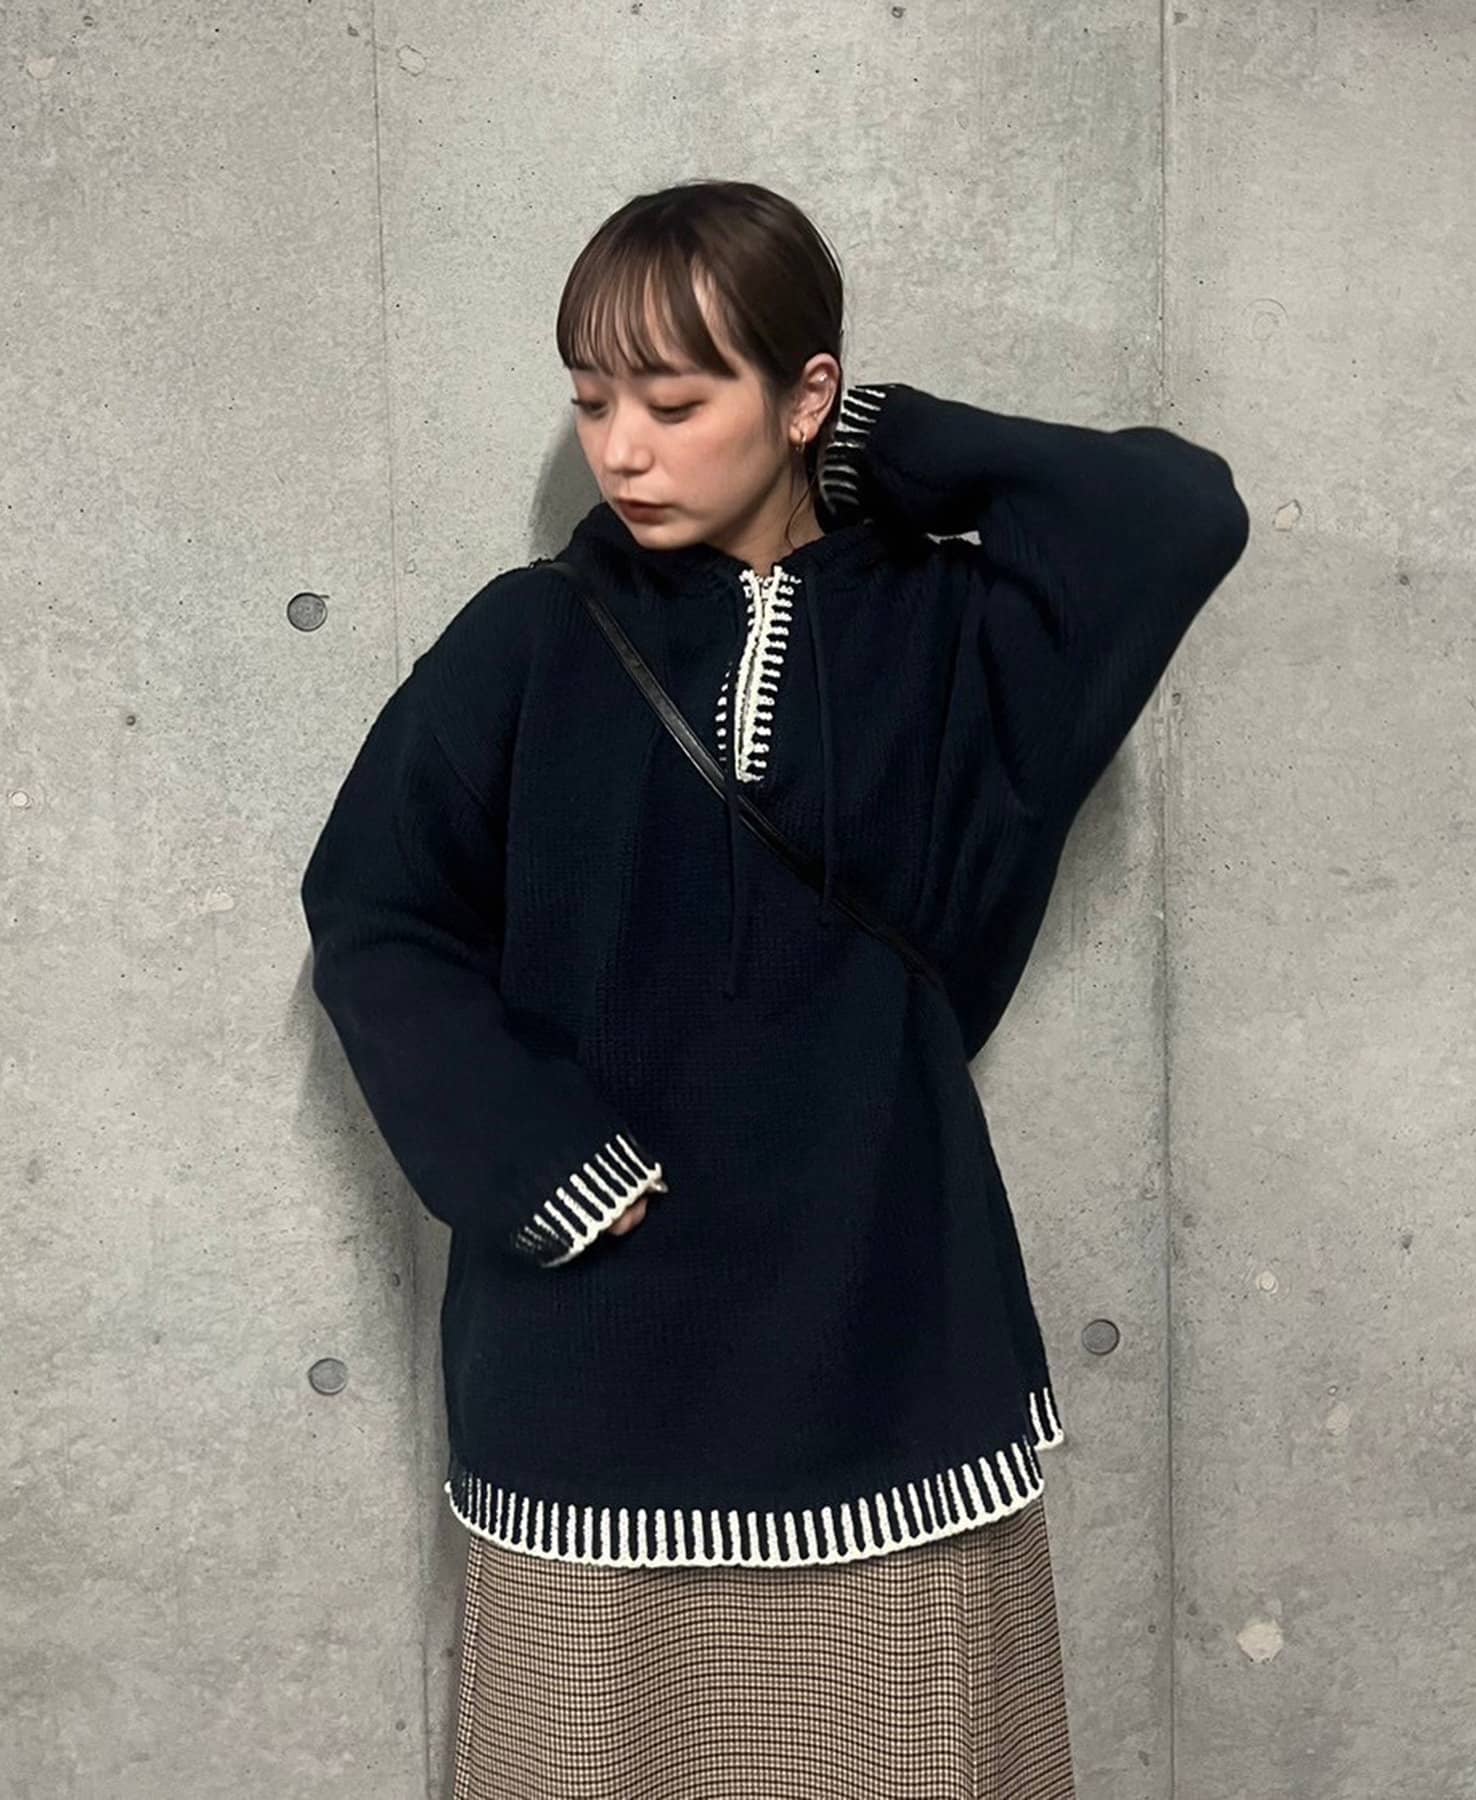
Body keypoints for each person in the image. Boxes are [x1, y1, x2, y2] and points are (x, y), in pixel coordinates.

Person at [299, 178, 1250, 1799]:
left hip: (889, 1333)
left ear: (803, 396)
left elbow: (1171, 515)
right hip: (596, 1357)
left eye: (676, 403)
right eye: (592, 402)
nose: (622, 451)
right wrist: (532, 1160)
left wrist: (878, 444)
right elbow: (375, 909)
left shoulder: (956, 641)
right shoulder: (530, 642)